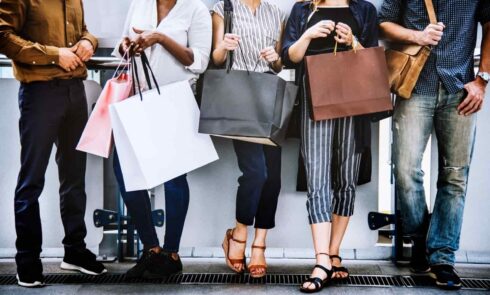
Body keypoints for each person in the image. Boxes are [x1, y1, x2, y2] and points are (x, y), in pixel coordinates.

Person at [378, 0, 490, 290]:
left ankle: (441, 258)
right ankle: (421, 239)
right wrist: (417, 36)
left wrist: (483, 80)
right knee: (405, 170)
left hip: (461, 88)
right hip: (414, 87)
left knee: (455, 175)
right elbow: (383, 22)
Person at [0, 0, 107, 288]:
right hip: (39, 95)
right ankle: (27, 262)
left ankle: (74, 251)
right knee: (31, 180)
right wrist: (53, 55)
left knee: (74, 177)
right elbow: (3, 36)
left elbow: (83, 31)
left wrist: (88, 41)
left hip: (75, 92)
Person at [282, 0, 379, 292]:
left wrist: (353, 41)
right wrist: (308, 35)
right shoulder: (303, 9)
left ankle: (334, 252)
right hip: (315, 98)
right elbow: (289, 57)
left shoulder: (365, 10)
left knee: (347, 178)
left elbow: (373, 59)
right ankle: (321, 259)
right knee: (317, 177)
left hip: (354, 99)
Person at [112, 0, 212, 279]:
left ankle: (171, 253)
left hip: (176, 101)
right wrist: (127, 47)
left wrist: (160, 38)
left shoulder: (196, 9)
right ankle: (151, 248)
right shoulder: (140, 4)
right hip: (138, 99)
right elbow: (122, 42)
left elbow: (199, 61)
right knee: (124, 171)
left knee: (174, 177)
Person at [211, 0, 285, 279]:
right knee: (256, 172)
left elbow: (279, 65)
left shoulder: (276, 12)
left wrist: (273, 58)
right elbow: (216, 59)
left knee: (273, 177)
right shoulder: (222, 8)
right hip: (238, 94)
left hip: (268, 95)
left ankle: (259, 245)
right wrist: (224, 47)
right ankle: (239, 232)